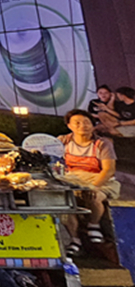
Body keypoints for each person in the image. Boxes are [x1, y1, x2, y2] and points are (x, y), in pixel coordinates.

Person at [58, 108, 120, 256]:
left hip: (100, 180)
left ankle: (94, 224)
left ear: (93, 125)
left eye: (87, 122)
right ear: (69, 126)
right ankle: (75, 239)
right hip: (72, 180)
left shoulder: (102, 144)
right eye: (77, 123)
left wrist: (93, 186)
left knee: (94, 197)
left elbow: (108, 170)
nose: (83, 126)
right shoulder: (63, 141)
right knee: (63, 205)